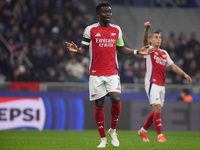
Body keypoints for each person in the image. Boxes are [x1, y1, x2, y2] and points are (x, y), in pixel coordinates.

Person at [66, 2, 153, 148]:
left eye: (110, 12)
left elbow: (121, 49)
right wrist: (77, 50)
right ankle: (103, 139)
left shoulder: (116, 30)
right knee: (99, 104)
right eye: (105, 12)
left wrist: (137, 52)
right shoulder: (90, 30)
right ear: (98, 14)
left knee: (115, 97)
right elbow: (83, 50)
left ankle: (113, 130)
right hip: (95, 73)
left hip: (112, 71)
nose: (108, 14)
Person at [138, 18, 192, 142]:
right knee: (157, 108)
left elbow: (173, 66)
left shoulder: (164, 53)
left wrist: (184, 74)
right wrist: (147, 29)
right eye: (156, 37)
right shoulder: (149, 51)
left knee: (157, 110)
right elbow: (144, 40)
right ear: (151, 40)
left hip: (162, 85)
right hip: (151, 83)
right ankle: (160, 136)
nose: (158, 39)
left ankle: (143, 130)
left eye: (160, 37)